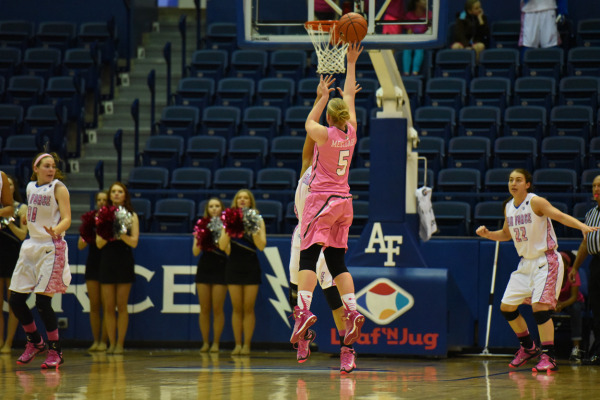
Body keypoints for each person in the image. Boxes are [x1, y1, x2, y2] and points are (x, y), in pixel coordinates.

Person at [476, 168, 597, 372]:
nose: (513, 183)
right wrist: (488, 234)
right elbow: (506, 234)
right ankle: (528, 348)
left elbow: (560, 216)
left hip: (546, 260)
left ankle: (548, 356)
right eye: (511, 180)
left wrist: (582, 227)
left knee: (539, 307)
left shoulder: (536, 202)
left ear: (527, 184)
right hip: (525, 263)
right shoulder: (508, 207)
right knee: (506, 307)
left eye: (519, 180)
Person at [291, 42, 365, 352]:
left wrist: (321, 98)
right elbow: (348, 96)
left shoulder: (325, 134)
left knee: (309, 257)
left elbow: (309, 125)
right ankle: (353, 310)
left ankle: (303, 312)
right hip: (345, 203)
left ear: (329, 120)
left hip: (322, 201)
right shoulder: (352, 131)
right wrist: (351, 64)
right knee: (337, 261)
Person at [8, 153, 72, 368]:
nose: (51, 169)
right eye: (46, 166)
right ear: (36, 168)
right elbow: (32, 210)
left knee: (43, 302)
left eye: (53, 166)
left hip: (51, 245)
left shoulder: (58, 188)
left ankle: (55, 351)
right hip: (31, 244)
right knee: (16, 299)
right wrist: (26, 214)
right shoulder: (30, 187)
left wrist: (56, 229)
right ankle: (35, 341)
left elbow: (67, 218)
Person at [218, 189, 267, 355]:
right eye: (239, 197)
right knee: (236, 308)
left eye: (246, 197)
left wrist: (252, 228)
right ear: (236, 201)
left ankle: (247, 345)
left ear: (251, 201)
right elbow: (222, 246)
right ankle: (237, 344)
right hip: (234, 266)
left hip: (251, 265)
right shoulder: (229, 218)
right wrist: (229, 228)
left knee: (248, 308)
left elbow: (261, 245)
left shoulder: (258, 219)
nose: (242, 200)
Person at [96, 182, 139, 354]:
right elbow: (99, 243)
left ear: (125, 195)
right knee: (108, 306)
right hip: (107, 260)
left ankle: (120, 344)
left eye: (120, 191)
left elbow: (134, 242)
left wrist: (120, 233)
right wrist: (110, 231)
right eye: (113, 191)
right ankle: (111, 343)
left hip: (124, 260)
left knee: (122, 306)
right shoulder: (102, 214)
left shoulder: (132, 215)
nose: (116, 194)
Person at [569, 174, 600, 365]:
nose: (596, 189)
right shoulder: (590, 215)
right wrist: (574, 267)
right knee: (597, 309)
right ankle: (597, 350)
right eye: (594, 185)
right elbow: (584, 244)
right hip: (596, 262)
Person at [193, 197, 228, 353]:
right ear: (207, 209)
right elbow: (194, 252)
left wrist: (221, 233)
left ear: (221, 209)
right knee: (205, 308)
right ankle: (205, 342)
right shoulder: (201, 225)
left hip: (221, 266)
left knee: (217, 308)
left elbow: (228, 250)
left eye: (217, 206)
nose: (214, 209)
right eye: (211, 206)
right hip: (205, 266)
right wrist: (202, 235)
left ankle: (216, 343)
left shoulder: (226, 225)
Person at [78, 191, 109, 352]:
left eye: (104, 200)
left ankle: (104, 341)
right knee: (94, 305)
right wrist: (88, 231)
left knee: (107, 305)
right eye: (99, 200)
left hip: (108, 262)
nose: (101, 202)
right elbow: (80, 245)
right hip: (93, 262)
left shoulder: (111, 219)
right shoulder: (91, 220)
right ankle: (96, 340)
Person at [0, 174, 27, 353]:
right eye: (5, 185)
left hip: (13, 255)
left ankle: (9, 343)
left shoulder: (20, 208)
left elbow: (23, 236)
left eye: (10, 185)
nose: (7, 187)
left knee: (13, 302)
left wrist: (9, 224)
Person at [555, 250, 585, 362]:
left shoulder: (573, 273)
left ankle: (576, 349)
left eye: (562, 263)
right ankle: (545, 349)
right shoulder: (551, 273)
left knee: (576, 309)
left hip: (572, 302)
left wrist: (561, 305)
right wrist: (554, 305)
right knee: (542, 310)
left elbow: (574, 297)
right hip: (556, 302)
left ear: (568, 264)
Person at [401, 0, 431, 76]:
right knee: (407, 50)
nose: (426, 2)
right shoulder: (409, 15)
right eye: (423, 0)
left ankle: (415, 72)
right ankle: (406, 73)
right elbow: (408, 30)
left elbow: (431, 29)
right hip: (411, 39)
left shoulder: (429, 14)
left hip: (423, 40)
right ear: (417, 2)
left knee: (419, 50)